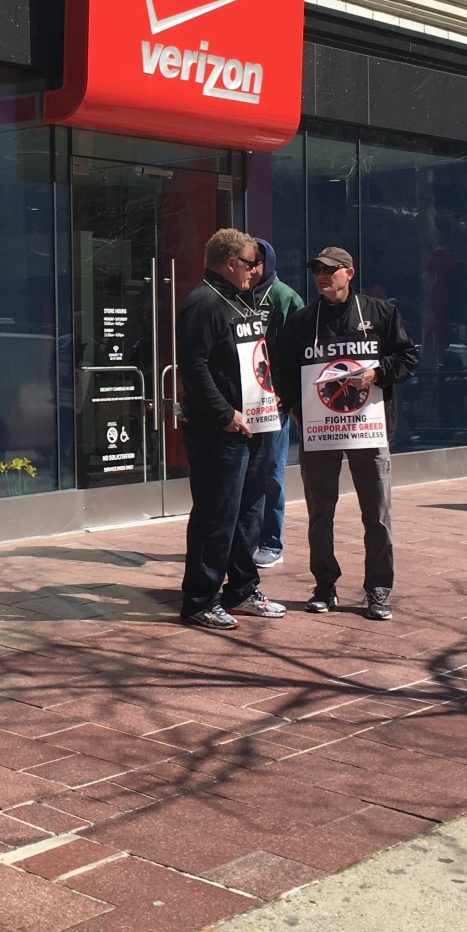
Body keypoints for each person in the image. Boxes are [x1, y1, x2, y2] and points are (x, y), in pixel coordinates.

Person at [274, 247, 417, 621]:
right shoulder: (303, 321)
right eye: (316, 270)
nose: (321, 275)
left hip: (368, 430)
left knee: (377, 514)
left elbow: (407, 358)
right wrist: (295, 409)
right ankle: (324, 585)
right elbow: (283, 371)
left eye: (329, 269)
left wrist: (376, 373)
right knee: (320, 514)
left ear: (349, 273)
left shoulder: (379, 313)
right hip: (320, 432)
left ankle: (379, 588)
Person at [176, 229, 284, 631]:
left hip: (252, 426)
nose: (256, 271)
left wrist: (267, 399)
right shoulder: (204, 303)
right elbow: (194, 367)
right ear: (231, 262)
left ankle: (241, 589)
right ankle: (200, 600)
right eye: (251, 263)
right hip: (218, 430)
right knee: (216, 515)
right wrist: (225, 414)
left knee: (247, 514)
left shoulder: (237, 300)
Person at [247, 238, 305, 570]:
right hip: (243, 401)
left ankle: (271, 542)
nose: (249, 269)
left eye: (253, 263)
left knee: (271, 471)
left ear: (265, 263)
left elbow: (300, 354)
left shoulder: (285, 298)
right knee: (245, 473)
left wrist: (287, 393)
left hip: (274, 402)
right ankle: (245, 539)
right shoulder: (237, 296)